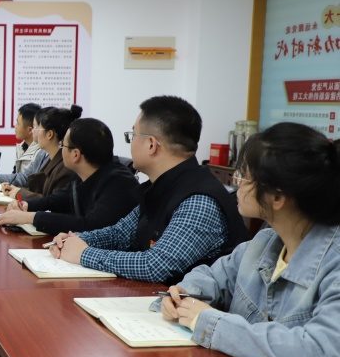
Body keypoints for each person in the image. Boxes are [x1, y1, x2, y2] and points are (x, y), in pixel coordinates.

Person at [161, 122, 340, 357]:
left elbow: (323, 356)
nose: (237, 185)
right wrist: (185, 295)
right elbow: (212, 276)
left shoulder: (334, 261)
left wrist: (210, 322)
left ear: (277, 197)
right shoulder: (265, 241)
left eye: (244, 177)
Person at [51, 95, 250, 284]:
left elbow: (156, 265)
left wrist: (84, 254)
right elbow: (120, 234)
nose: (131, 143)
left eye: (133, 136)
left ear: (151, 144)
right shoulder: (165, 186)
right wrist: (74, 240)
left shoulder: (198, 200)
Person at [0, 118, 138, 236]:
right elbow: (60, 198)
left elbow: (90, 225)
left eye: (63, 145)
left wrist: (31, 217)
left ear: (76, 154)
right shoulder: (83, 173)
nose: (61, 149)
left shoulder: (119, 183)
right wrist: (28, 205)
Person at [4, 105, 82, 200]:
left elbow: (51, 201)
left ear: (50, 134)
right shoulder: (51, 159)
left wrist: (19, 192)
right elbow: (39, 191)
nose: (34, 132)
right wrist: (15, 190)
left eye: (37, 128)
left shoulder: (65, 167)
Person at [0, 102, 47, 186]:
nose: (15, 126)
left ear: (30, 130)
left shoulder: (41, 152)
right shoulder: (22, 147)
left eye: (18, 123)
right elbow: (16, 175)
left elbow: (27, 179)